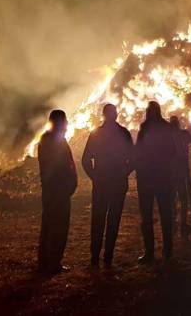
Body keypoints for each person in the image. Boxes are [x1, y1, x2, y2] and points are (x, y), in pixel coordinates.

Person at [81, 104, 133, 267]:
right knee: (113, 220)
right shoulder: (123, 133)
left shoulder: (97, 134)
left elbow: (85, 160)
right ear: (114, 115)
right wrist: (124, 172)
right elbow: (133, 158)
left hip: (102, 183)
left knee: (98, 219)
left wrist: (95, 176)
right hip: (116, 183)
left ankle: (95, 257)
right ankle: (107, 257)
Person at [135, 102, 176, 263]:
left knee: (147, 215)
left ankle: (150, 252)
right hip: (162, 177)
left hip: (147, 178)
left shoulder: (144, 128)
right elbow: (172, 150)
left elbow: (138, 151)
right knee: (165, 213)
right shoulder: (165, 127)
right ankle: (167, 250)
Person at [38, 110, 77, 274]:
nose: (67, 124)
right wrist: (68, 185)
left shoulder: (46, 139)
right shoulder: (55, 141)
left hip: (52, 190)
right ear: (60, 122)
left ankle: (45, 261)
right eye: (65, 121)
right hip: (58, 191)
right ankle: (53, 263)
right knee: (58, 226)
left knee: (48, 224)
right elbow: (61, 166)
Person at [170, 116, 191, 238]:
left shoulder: (168, 136)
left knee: (172, 198)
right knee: (183, 198)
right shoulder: (183, 133)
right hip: (181, 169)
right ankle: (182, 224)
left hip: (171, 171)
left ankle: (172, 222)